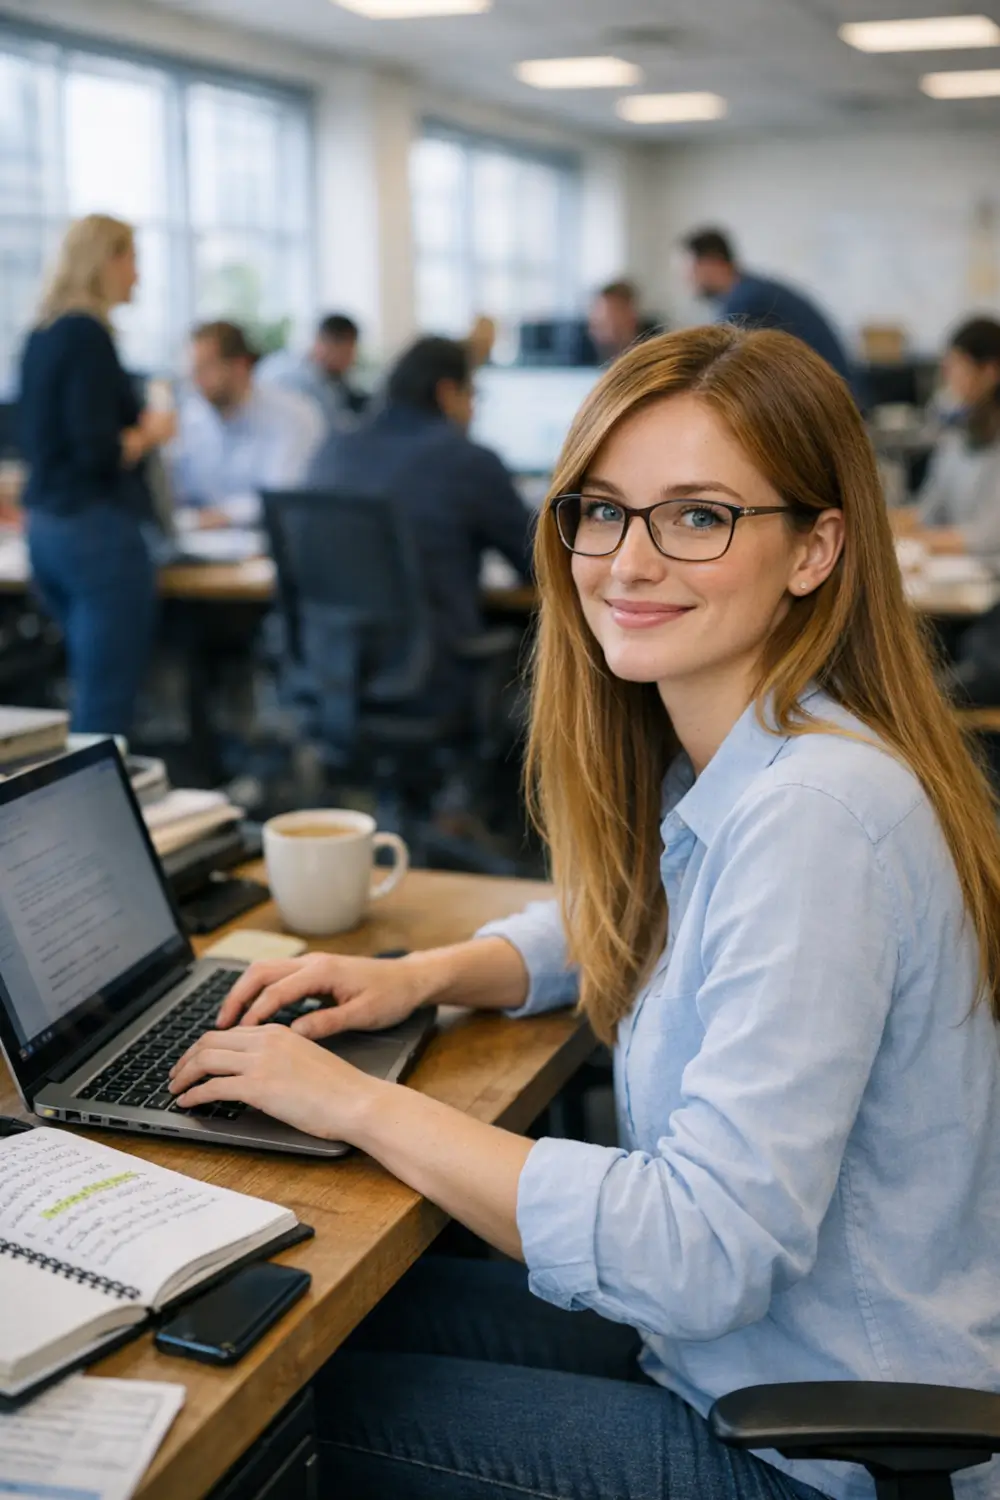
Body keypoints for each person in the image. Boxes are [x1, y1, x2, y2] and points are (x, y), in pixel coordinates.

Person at [169, 325, 1000, 1500]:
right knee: (311, 1320)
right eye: (600, 510)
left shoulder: (818, 814)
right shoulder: (758, 749)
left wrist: (351, 1101)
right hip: (741, 1362)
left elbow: (699, 1253)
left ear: (815, 549)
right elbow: (650, 915)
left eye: (698, 515)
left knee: (269, 1421)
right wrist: (424, 976)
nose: (625, 561)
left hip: (822, 1443)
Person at [305, 335, 532, 715]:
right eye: (472, 395)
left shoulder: (332, 450)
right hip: (435, 676)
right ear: (447, 392)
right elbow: (536, 564)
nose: (473, 410)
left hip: (335, 671)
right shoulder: (467, 461)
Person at [17, 214, 176, 735]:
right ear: (106, 260)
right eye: (132, 260)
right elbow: (97, 452)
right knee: (106, 703)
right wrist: (152, 432)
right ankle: (98, 810)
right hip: (94, 534)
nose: (137, 276)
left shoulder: (40, 334)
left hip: (45, 529)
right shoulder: (87, 335)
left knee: (90, 686)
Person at [169, 321, 325, 527]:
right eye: (193, 370)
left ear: (240, 366)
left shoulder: (293, 415)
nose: (196, 381)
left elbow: (280, 497)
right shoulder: (191, 417)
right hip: (203, 545)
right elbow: (177, 493)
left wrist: (219, 516)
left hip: (272, 542)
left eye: (206, 368)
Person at [682, 228, 855, 391]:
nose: (687, 278)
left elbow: (718, 366)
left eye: (690, 268)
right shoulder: (752, 289)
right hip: (832, 391)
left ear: (713, 263)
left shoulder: (746, 301)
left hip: (828, 400)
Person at [915, 316, 1000, 556]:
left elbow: (989, 537)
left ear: (990, 371)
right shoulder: (957, 433)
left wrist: (918, 540)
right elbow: (929, 511)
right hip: (958, 572)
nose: (950, 379)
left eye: (958, 367)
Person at [257, 313, 368, 426]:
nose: (351, 360)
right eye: (347, 353)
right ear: (324, 343)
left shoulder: (327, 375)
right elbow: (334, 432)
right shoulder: (295, 378)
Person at [587, 278, 659, 362]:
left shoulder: (654, 349)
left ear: (631, 314)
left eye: (613, 314)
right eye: (599, 323)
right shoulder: (581, 354)